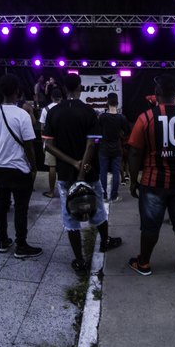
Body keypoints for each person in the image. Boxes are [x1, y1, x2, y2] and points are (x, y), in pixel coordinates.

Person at [44, 74, 122, 273]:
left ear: (63, 88)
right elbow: (91, 143)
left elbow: (48, 145)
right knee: (96, 206)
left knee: (69, 214)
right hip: (89, 170)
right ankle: (105, 240)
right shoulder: (88, 111)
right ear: (80, 87)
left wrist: (72, 163)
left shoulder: (54, 113)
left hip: (65, 173)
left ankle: (80, 260)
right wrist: (82, 166)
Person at [127, 74, 175, 276]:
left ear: (158, 93)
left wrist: (133, 181)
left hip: (153, 183)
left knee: (150, 226)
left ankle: (144, 263)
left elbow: (134, 151)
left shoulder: (146, 118)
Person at [0, 74, 43, 259]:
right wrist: (33, 167)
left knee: (1, 205)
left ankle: (3, 240)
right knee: (21, 208)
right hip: (19, 168)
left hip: (0, 168)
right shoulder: (22, 115)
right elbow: (29, 145)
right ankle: (21, 245)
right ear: (18, 91)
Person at [98, 92, 130, 203]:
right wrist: (120, 134)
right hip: (116, 148)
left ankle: (103, 195)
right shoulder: (121, 117)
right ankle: (114, 196)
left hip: (104, 148)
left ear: (107, 102)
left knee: (103, 171)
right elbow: (127, 132)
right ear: (117, 103)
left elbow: (97, 131)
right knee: (116, 172)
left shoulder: (102, 117)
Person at [39, 88, 63, 198]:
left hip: (50, 140)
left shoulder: (46, 109)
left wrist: (44, 142)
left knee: (52, 167)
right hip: (63, 140)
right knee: (64, 166)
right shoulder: (65, 108)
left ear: (51, 97)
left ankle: (52, 191)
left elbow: (42, 128)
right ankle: (65, 191)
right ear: (61, 98)